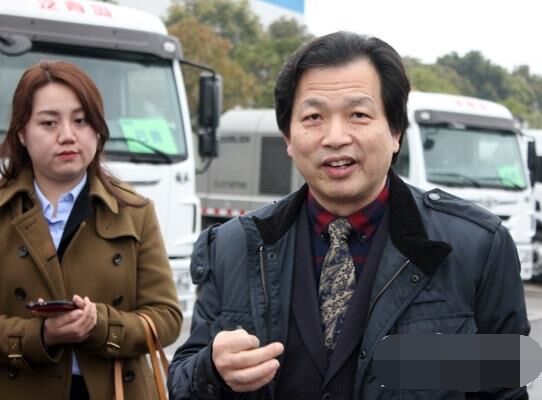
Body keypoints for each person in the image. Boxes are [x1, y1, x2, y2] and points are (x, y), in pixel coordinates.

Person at [167, 31, 530, 400]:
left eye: (358, 115)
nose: (335, 137)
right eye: (313, 117)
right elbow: (182, 380)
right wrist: (211, 370)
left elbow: (503, 390)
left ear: (395, 132)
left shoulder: (475, 248)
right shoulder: (234, 246)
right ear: (288, 137)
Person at [0, 61, 182, 400]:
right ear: (22, 133)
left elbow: (167, 318)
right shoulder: (3, 210)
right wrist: (41, 335)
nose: (67, 135)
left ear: (97, 130)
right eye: (49, 122)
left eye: (81, 120)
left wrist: (100, 324)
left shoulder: (134, 211)